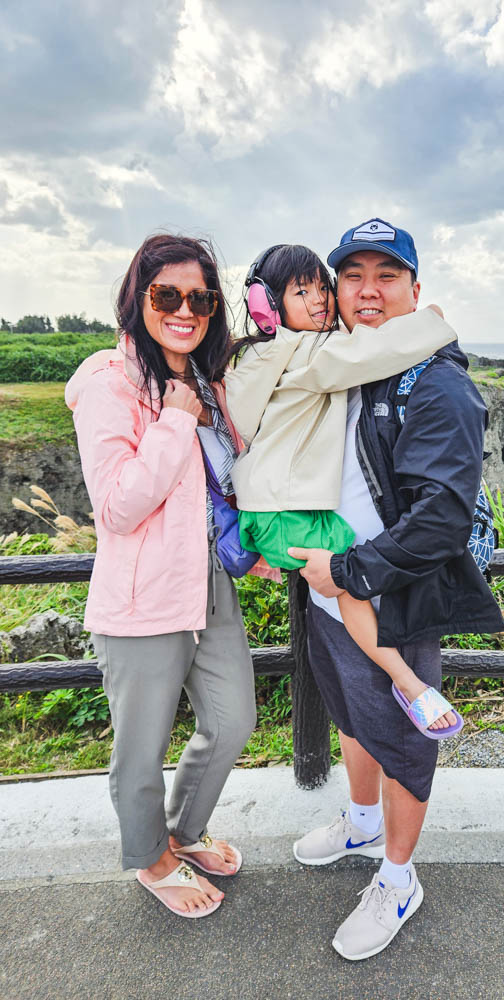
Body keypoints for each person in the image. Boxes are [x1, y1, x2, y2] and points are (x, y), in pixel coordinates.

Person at [289, 218, 504, 960]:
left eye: (388, 275)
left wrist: (344, 571)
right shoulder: (348, 362)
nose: (369, 290)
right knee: (352, 714)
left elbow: (439, 523)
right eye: (354, 275)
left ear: (417, 291)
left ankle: (398, 877)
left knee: (406, 746)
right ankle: (359, 819)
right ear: (337, 290)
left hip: (393, 592)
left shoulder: (437, 383)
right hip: (330, 593)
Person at [65, 234, 262, 919]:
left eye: (200, 297)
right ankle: (151, 859)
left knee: (235, 720)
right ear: (138, 298)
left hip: (209, 581)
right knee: (140, 749)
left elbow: (224, 485)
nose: (186, 309)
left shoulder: (206, 381)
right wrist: (175, 423)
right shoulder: (107, 382)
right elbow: (118, 507)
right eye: (167, 295)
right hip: (143, 592)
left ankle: (181, 833)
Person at [224, 243, 461, 735]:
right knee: (345, 573)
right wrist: (430, 322)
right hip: (285, 508)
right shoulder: (309, 352)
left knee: (340, 575)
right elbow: (373, 351)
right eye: (300, 291)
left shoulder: (254, 355)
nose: (319, 301)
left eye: (320, 287)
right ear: (267, 304)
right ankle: (409, 684)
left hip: (271, 507)